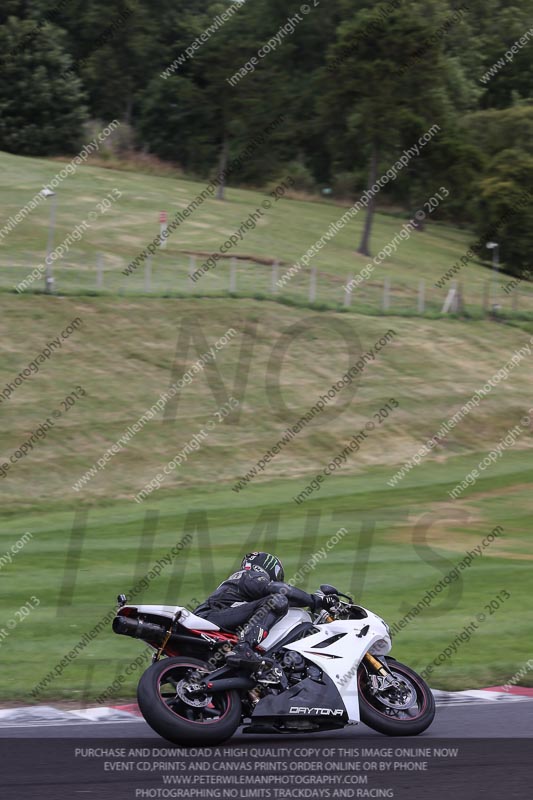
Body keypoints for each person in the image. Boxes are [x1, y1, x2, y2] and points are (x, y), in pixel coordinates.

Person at [193, 551, 336, 670]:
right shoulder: (248, 575)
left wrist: (307, 602)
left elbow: (289, 598)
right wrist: (314, 600)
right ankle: (245, 648)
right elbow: (279, 591)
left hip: (213, 619)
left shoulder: (242, 585)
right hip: (210, 617)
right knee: (278, 601)